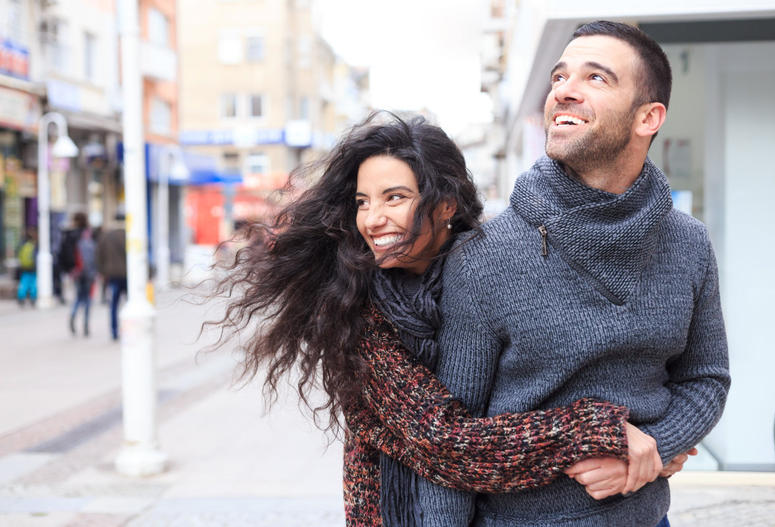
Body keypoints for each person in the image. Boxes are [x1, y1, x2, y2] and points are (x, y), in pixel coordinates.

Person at [211, 111, 691, 526]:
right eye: (362, 202)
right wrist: (595, 431)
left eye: (393, 197)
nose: (372, 218)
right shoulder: (361, 314)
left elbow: (564, 374)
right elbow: (448, 443)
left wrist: (656, 443)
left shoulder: (495, 273)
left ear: (445, 206)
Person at [416, 21, 730, 526]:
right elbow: (451, 445)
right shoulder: (486, 256)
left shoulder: (688, 243)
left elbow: (706, 378)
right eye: (560, 76)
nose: (564, 90)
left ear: (648, 117)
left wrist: (646, 451)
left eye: (596, 78)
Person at [97, 216, 127, 340]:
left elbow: (99, 255)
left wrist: (103, 272)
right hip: (127, 276)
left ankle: (114, 331)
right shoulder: (129, 235)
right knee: (130, 302)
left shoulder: (106, 236)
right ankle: (129, 328)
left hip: (112, 276)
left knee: (113, 304)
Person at [69, 213, 97, 337]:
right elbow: (93, 255)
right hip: (89, 272)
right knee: (88, 299)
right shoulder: (88, 235)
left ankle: (73, 315)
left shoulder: (72, 234)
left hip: (77, 272)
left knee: (79, 297)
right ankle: (85, 324)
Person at [16, 229, 37, 307]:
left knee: (24, 283)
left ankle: (21, 297)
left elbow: (19, 256)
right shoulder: (33, 246)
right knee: (33, 283)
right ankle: (33, 298)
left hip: (24, 267)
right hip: (33, 268)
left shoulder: (22, 245)